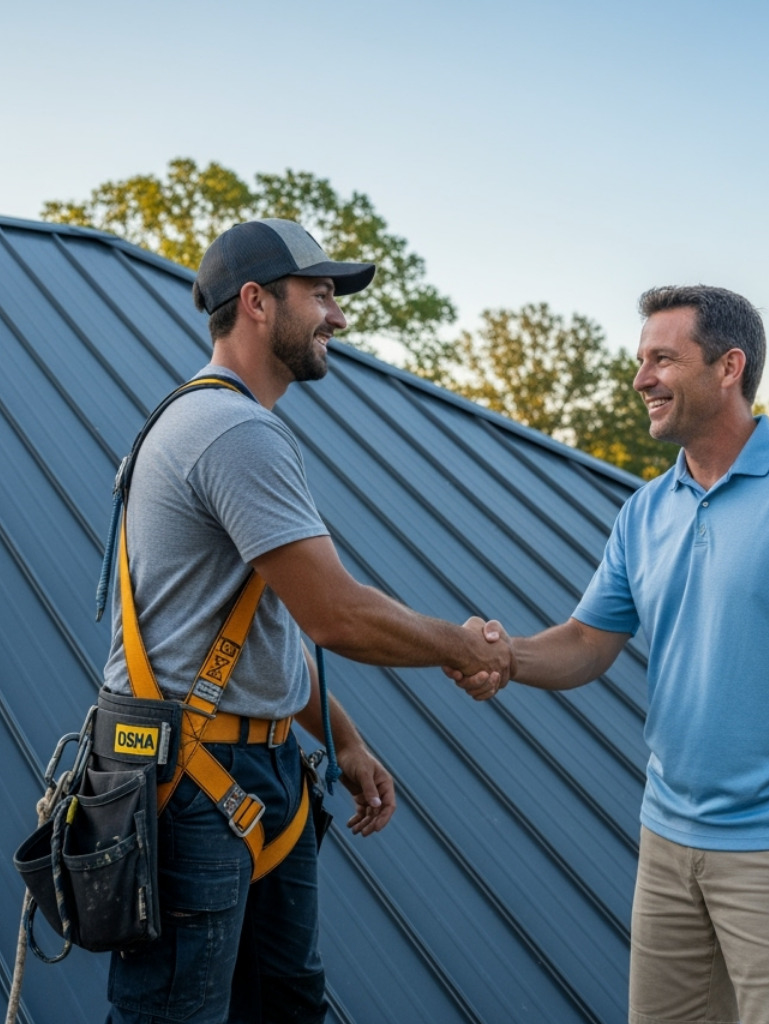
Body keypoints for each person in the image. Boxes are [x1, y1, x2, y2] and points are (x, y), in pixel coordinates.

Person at [454, 285, 769, 1024]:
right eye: (642, 360)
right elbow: (583, 644)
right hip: (666, 840)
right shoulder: (645, 510)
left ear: (729, 367)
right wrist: (505, 658)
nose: (641, 379)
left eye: (663, 359)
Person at [101, 218, 514, 1024]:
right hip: (197, 785)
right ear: (256, 302)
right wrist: (463, 646)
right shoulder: (234, 431)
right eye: (321, 294)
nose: (340, 316)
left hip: (249, 770)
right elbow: (336, 615)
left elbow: (255, 634)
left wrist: (346, 742)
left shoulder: (198, 418)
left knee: (286, 1007)